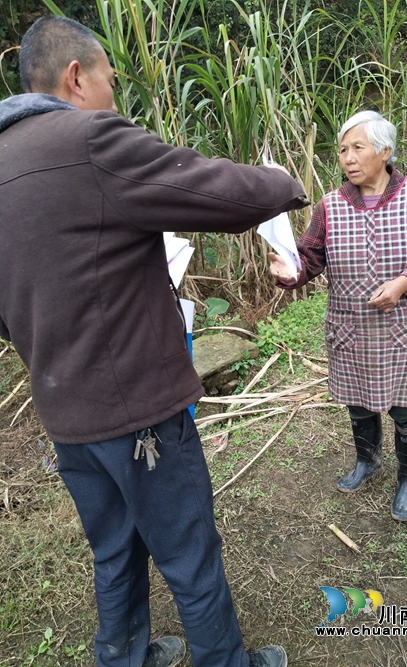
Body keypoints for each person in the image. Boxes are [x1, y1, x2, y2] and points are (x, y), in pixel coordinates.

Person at [0, 16, 309, 667]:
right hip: (137, 411)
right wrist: (282, 181)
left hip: (66, 416)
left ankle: (125, 656)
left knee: (113, 547)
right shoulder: (87, 137)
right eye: (110, 77)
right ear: (76, 77)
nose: (115, 92)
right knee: (187, 549)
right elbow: (208, 189)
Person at [270, 110, 407, 522]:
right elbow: (309, 258)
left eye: (358, 148)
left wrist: (405, 283)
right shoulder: (330, 207)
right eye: (342, 150)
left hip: (401, 329)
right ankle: (367, 461)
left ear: (384, 151)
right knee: (358, 403)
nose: (348, 158)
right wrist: (290, 271)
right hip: (349, 328)